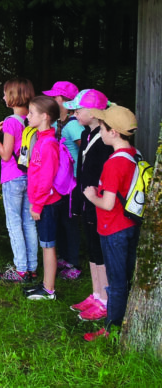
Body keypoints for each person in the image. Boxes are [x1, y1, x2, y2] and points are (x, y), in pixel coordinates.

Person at [82, 105, 141, 341]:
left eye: (103, 128)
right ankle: (121, 321)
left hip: (113, 228)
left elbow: (107, 204)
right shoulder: (134, 155)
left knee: (116, 282)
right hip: (128, 226)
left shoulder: (113, 163)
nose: (101, 132)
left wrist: (90, 195)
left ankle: (111, 329)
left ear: (113, 132)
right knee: (125, 277)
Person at [65, 90, 112, 321]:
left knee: (99, 250)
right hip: (86, 199)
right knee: (92, 248)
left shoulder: (105, 139)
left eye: (78, 109)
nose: (74, 113)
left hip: (99, 201)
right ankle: (95, 293)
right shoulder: (85, 133)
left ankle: (105, 299)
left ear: (93, 113)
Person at [0, 78, 38, 282]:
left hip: (12, 177)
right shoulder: (32, 118)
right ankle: (32, 267)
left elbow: (6, 155)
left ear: (13, 96)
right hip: (29, 176)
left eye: (4, 92)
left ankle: (20, 269)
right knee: (28, 222)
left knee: (14, 223)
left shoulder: (11, 122)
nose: (2, 96)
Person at [23, 96, 64, 300]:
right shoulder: (41, 139)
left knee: (48, 245)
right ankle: (46, 284)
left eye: (31, 113)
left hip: (47, 203)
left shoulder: (48, 144)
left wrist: (37, 205)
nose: (27, 116)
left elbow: (47, 178)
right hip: (41, 202)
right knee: (45, 244)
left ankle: (49, 290)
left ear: (45, 116)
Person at [43, 81, 85, 280]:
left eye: (53, 96)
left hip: (73, 181)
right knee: (60, 218)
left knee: (70, 220)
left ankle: (74, 262)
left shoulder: (74, 124)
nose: (51, 99)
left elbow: (84, 149)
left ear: (60, 99)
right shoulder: (53, 123)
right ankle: (63, 257)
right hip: (57, 180)